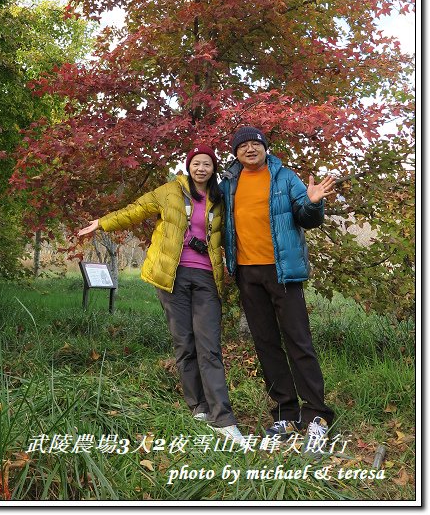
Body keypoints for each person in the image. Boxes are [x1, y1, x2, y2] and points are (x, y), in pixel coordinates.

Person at [78, 144, 245, 444]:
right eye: (196, 164)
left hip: (207, 278)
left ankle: (224, 418)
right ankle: (198, 407)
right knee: (184, 343)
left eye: (207, 164)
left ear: (213, 168)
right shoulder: (168, 191)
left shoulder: (221, 197)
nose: (201, 169)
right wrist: (101, 223)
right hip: (172, 277)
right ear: (188, 166)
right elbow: (134, 210)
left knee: (209, 346)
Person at [220, 125, 335, 451]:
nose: (250, 150)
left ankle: (316, 416)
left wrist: (312, 203)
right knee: (266, 344)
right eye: (243, 147)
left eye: (255, 144)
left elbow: (307, 217)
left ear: (265, 147)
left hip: (283, 273)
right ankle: (285, 411)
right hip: (247, 273)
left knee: (298, 341)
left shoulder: (285, 177)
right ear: (236, 153)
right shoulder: (230, 182)